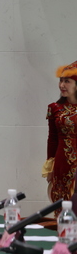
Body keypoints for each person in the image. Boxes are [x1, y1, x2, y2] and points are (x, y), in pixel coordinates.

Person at [45, 60, 77, 204]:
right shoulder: (55, 108)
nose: (62, 85)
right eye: (61, 80)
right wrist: (50, 167)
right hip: (62, 163)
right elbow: (52, 139)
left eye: (67, 81)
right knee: (61, 202)